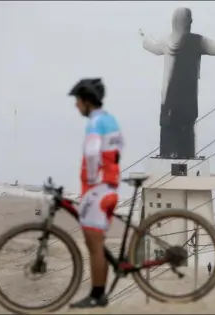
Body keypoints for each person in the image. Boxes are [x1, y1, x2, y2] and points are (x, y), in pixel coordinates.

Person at [68, 78, 124, 309]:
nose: (76, 106)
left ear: (87, 101)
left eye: (78, 101)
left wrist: (91, 180)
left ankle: (97, 295)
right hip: (109, 185)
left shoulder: (95, 123)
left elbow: (92, 153)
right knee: (96, 244)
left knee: (94, 245)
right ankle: (98, 293)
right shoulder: (110, 120)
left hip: (97, 189)